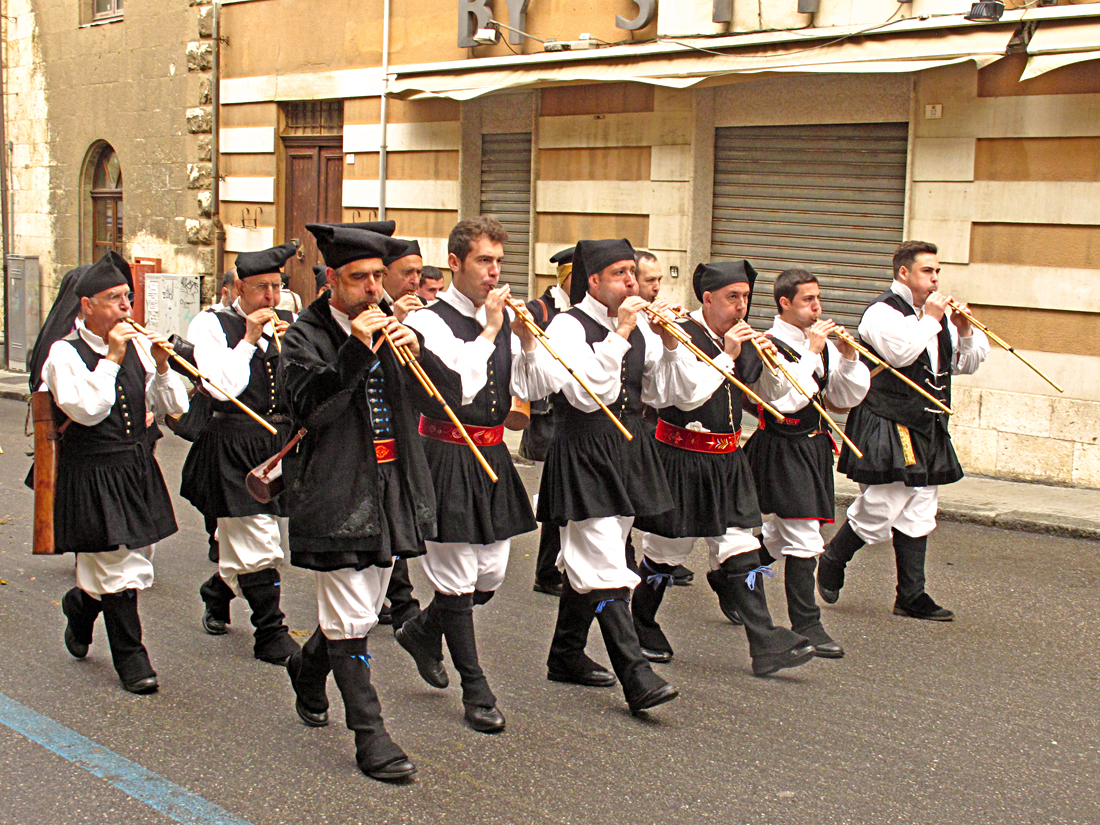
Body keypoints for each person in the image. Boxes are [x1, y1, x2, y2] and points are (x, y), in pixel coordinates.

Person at [514, 238, 714, 716]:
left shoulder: (641, 326)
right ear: (594, 282)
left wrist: (668, 346)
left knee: (599, 553)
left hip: (626, 449)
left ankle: (565, 654)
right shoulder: (567, 325)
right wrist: (622, 331)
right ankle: (635, 674)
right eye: (620, 274)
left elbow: (677, 394)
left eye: (633, 273)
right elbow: (586, 394)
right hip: (583, 448)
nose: (630, 283)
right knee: (603, 561)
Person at [279, 223, 436, 782]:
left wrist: (420, 356)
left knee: (365, 606)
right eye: (359, 278)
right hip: (335, 484)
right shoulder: (303, 334)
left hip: (392, 480)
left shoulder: (395, 323)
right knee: (350, 613)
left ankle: (307, 665)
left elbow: (437, 399)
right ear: (331, 280)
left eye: (377, 277)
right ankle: (371, 736)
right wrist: (356, 348)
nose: (373, 288)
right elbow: (308, 409)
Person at [628, 260, 817, 676]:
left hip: (728, 460)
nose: (741, 307)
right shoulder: (677, 331)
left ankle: (765, 641)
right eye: (733, 298)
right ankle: (640, 622)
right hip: (681, 457)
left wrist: (786, 362)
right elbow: (683, 396)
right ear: (708, 298)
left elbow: (784, 401)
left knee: (740, 546)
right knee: (665, 551)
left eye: (747, 298)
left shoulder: (749, 339)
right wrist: (729, 353)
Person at [396, 217, 538, 734]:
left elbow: (531, 386)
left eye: (499, 261)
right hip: (446, 453)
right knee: (456, 580)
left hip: (493, 453)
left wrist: (523, 341)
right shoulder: (428, 321)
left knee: (491, 575)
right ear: (455, 263)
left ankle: (421, 631)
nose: (493, 271)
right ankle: (475, 688)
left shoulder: (500, 317)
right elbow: (458, 385)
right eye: (483, 260)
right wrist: (493, 329)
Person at [818, 241, 989, 620]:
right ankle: (833, 558)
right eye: (928, 271)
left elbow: (964, 364)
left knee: (922, 503)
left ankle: (911, 595)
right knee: (884, 501)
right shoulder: (881, 313)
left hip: (927, 420)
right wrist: (930, 318)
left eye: (937, 271)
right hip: (888, 416)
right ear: (904, 273)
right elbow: (900, 355)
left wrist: (963, 329)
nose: (935, 279)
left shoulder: (938, 315)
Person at [42, 252, 189, 694]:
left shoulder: (140, 346)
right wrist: (112, 356)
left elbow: (175, 408)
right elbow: (87, 410)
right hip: (92, 471)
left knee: (136, 560)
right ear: (86, 305)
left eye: (127, 297)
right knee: (118, 568)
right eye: (113, 299)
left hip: (134, 468)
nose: (126, 307)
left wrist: (163, 366)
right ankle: (132, 657)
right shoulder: (63, 354)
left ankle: (80, 605)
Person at [181, 243, 301, 665]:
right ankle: (270, 633)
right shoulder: (210, 325)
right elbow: (218, 388)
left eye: (277, 287)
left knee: (250, 534)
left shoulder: (287, 322)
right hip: (232, 443)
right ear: (237, 287)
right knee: (258, 538)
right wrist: (250, 339)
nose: (271, 298)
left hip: (276, 443)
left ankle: (217, 589)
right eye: (262, 288)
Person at [745, 268, 870, 659]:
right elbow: (783, 401)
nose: (817, 308)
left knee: (782, 536)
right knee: (803, 537)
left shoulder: (823, 346)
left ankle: (734, 576)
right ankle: (807, 624)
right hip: (782, 447)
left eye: (818, 299)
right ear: (784, 303)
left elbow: (843, 398)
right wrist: (813, 353)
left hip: (813, 448)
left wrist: (848, 358)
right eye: (807, 301)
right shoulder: (766, 345)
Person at [525, 247, 574, 597]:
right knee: (556, 500)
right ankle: (547, 570)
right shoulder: (541, 309)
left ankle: (556, 567)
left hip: (573, 415)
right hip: (552, 416)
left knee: (560, 499)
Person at [382, 238, 424, 321]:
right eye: (407, 273)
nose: (416, 281)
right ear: (384, 273)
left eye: (418, 273)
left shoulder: (422, 303)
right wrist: (396, 319)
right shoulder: (370, 306)